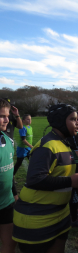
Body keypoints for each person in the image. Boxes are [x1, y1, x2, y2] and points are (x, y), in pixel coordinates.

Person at [13, 104, 78, 253]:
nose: (77, 123)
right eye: (73, 119)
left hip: (59, 215)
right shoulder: (47, 146)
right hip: (36, 220)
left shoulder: (64, 143)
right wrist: (70, 181)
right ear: (60, 121)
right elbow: (35, 179)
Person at [0, 98, 17, 253]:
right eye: (2, 116)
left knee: (10, 244)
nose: (7, 120)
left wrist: (14, 192)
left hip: (7, 202)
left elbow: (9, 169)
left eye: (7, 116)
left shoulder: (7, 139)